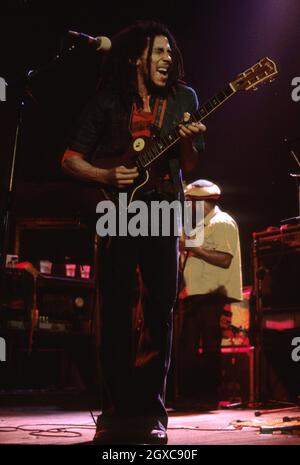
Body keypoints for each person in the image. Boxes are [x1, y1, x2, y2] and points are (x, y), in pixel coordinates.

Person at [61, 20, 206, 444]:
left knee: (159, 314)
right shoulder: (107, 102)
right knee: (116, 314)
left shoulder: (185, 98)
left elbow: (192, 165)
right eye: (158, 52)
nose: (167, 59)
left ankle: (150, 415)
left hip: (162, 210)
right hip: (117, 213)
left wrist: (188, 142)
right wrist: (105, 172)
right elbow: (70, 158)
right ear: (135, 58)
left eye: (170, 52)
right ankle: (115, 414)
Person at [177, 179, 243, 410]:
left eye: (190, 202)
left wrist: (193, 248)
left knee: (207, 346)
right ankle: (191, 396)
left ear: (202, 202)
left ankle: (208, 397)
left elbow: (224, 259)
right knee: (189, 346)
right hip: (196, 294)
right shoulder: (200, 224)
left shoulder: (222, 222)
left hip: (212, 295)